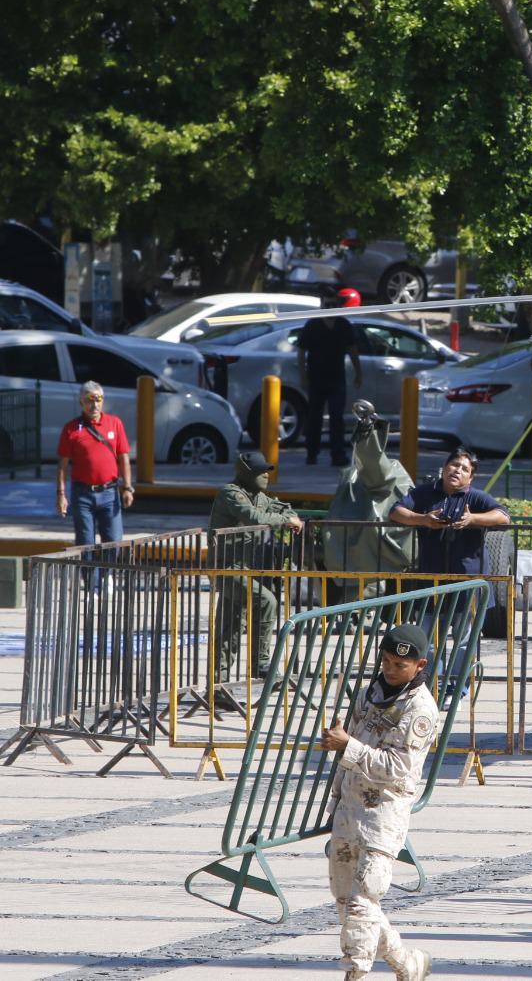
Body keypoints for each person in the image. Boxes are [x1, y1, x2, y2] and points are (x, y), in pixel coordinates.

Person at [320, 622, 439, 981]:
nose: (390, 669)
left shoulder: (420, 709)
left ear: (419, 665)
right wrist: (337, 745)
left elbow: (398, 768)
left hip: (381, 818)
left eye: (400, 665)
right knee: (348, 904)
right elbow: (351, 744)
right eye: (386, 661)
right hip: (348, 812)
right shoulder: (369, 694)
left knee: (363, 903)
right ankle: (407, 962)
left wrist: (348, 746)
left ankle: (355, 972)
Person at [208, 451, 305, 678]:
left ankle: (218, 683)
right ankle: (260, 663)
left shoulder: (258, 496)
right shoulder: (231, 493)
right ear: (246, 473)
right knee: (266, 601)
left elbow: (281, 507)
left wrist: (290, 515)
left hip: (244, 569)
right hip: (226, 568)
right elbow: (254, 517)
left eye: (267, 471)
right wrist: (286, 521)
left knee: (229, 627)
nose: (266, 476)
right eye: (261, 472)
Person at [388, 449, 510, 577]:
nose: (458, 471)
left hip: (469, 578)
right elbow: (395, 512)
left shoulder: (477, 497)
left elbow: (503, 516)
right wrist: (423, 519)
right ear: (445, 466)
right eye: (455, 465)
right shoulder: (424, 492)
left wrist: (472, 519)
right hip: (431, 575)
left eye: (465, 469)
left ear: (470, 478)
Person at [56, 381, 134, 547]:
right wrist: (61, 494)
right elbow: (63, 465)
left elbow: (123, 457)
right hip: (82, 494)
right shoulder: (71, 429)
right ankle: (89, 566)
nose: (94, 405)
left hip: (109, 493)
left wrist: (127, 487)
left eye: (98, 400)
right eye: (89, 400)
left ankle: (108, 566)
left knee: (114, 542)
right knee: (85, 545)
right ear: (81, 402)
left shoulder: (115, 423)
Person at [297, 289, 364, 466]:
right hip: (316, 379)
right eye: (327, 305)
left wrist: (358, 372)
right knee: (314, 418)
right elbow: (301, 352)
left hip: (337, 379)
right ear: (321, 305)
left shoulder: (344, 325)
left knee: (337, 418)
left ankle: (337, 455)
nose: (330, 308)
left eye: (333, 305)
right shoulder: (312, 325)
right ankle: (312, 453)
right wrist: (303, 376)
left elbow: (353, 350)